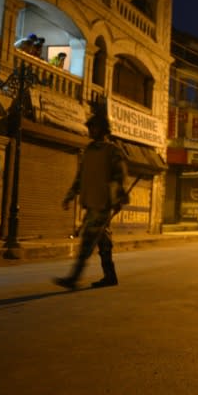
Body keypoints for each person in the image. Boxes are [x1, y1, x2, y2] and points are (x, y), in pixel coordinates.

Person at [53, 113, 129, 290]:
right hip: (92, 202)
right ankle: (110, 276)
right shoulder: (89, 150)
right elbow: (80, 177)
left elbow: (120, 176)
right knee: (103, 241)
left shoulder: (112, 150)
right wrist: (70, 195)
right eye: (89, 127)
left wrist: (119, 196)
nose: (90, 130)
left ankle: (73, 278)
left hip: (102, 203)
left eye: (93, 127)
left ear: (102, 129)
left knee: (87, 241)